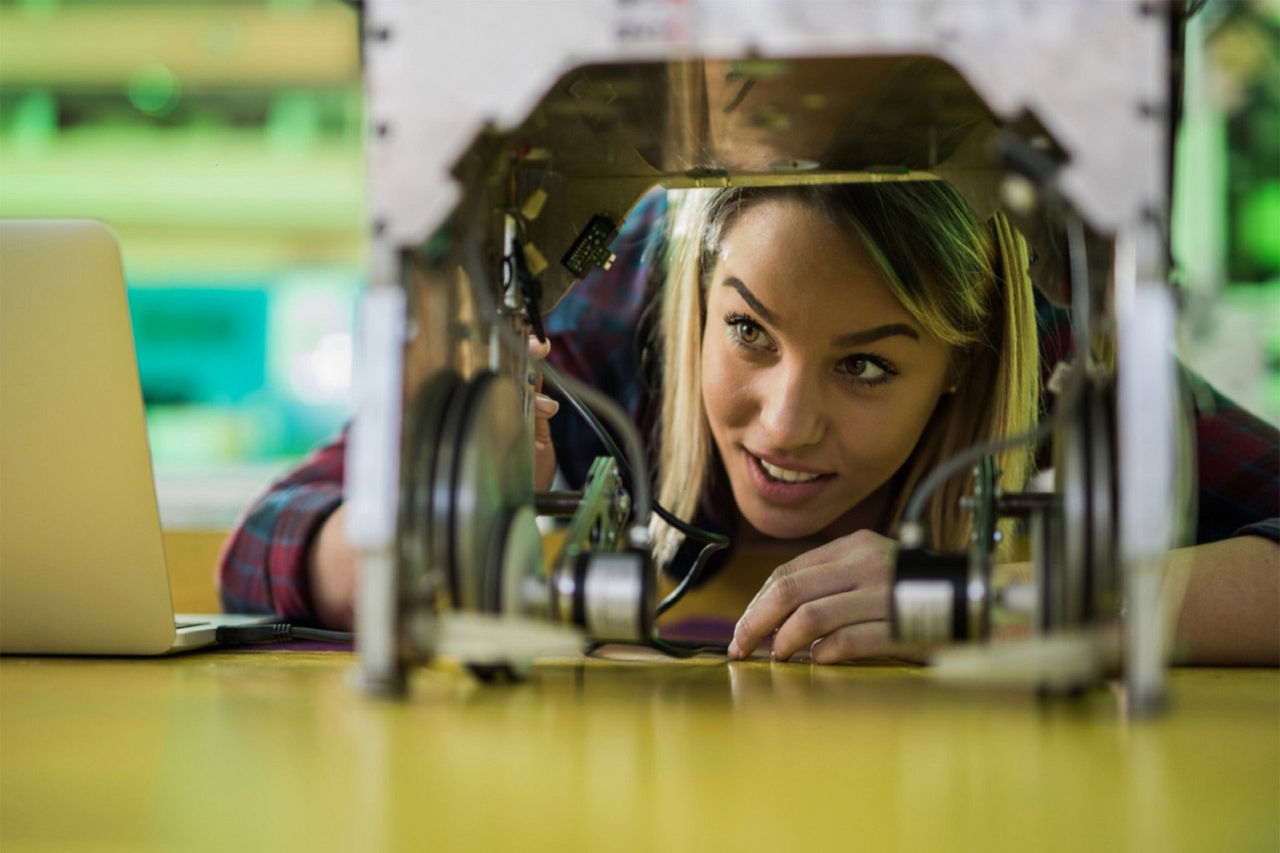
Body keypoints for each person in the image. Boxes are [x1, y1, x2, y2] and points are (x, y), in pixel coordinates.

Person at [219, 180, 1279, 665]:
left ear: (964, 363)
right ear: (692, 303)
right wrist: (435, 535)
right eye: (748, 332)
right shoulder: (623, 293)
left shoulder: (1053, 355)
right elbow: (267, 540)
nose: (785, 422)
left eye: (865, 363)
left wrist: (1004, 598)